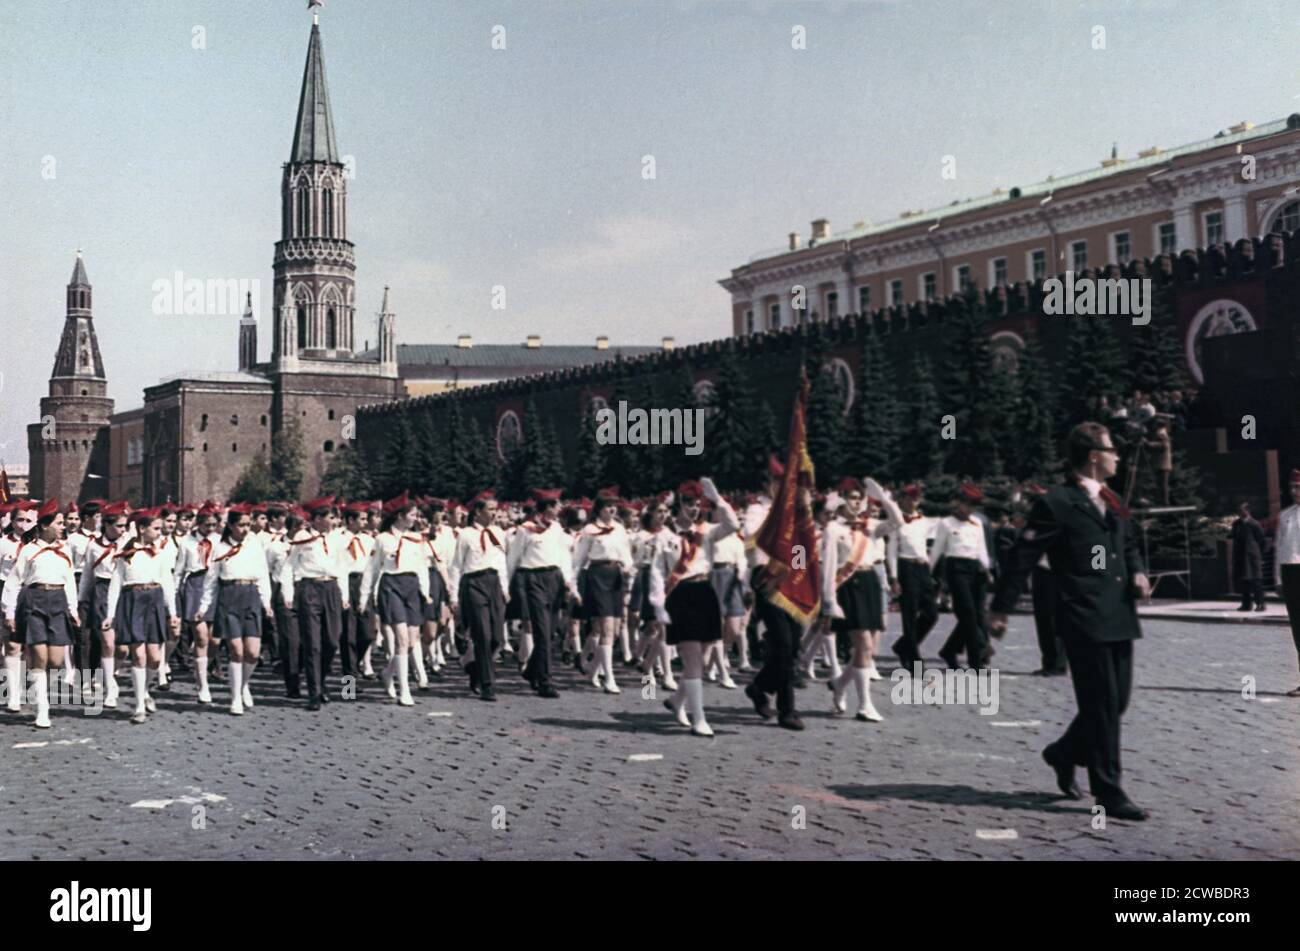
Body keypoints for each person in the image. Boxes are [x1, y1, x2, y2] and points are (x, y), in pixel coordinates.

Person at [989, 422, 1152, 821]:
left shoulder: (1110, 499)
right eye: (1112, 449)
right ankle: (1108, 792)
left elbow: (1126, 542)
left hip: (1118, 612)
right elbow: (1022, 557)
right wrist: (1000, 609)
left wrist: (1138, 571)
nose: (1118, 456)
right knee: (1101, 705)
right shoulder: (1057, 502)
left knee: (1117, 704)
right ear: (1093, 456)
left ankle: (1062, 753)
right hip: (1083, 615)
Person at [648, 477, 738, 737]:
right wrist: (658, 606)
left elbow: (732, 525)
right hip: (680, 595)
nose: (695, 508)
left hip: (705, 592)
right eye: (690, 503)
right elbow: (656, 572)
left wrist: (718, 499)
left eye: (698, 504)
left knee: (706, 652)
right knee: (693, 657)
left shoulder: (707, 531)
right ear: (679, 505)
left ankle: (677, 700)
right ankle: (699, 718)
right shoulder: (664, 536)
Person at [823, 477, 902, 722]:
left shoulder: (870, 525)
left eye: (860, 498)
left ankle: (839, 684)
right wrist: (829, 601)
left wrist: (885, 499)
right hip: (848, 586)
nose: (857, 502)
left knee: (865, 648)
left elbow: (897, 522)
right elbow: (829, 567)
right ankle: (865, 705)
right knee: (865, 645)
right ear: (841, 500)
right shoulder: (833, 529)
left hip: (869, 583)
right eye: (851, 497)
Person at [2, 499, 80, 728]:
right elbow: (14, 582)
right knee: (40, 657)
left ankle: (40, 689)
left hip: (58, 602)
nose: (63, 527)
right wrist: (9, 612)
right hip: (34, 601)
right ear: (45, 526)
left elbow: (70, 582)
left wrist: (73, 609)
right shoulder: (29, 550)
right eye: (59, 523)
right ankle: (42, 709)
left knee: (56, 660)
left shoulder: (64, 550)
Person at [196, 505, 274, 716]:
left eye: (248, 524)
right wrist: (203, 607)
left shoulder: (255, 545)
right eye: (241, 525)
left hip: (251, 596)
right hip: (229, 597)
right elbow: (211, 581)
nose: (245, 529)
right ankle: (235, 698)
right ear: (230, 526)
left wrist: (267, 603)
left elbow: (263, 575)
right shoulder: (219, 548)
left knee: (253, 653)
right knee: (236, 651)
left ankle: (243, 684)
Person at [105, 509, 179, 724]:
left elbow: (168, 583)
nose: (160, 532)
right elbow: (116, 584)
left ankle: (145, 691)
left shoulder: (161, 552)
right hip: (132, 600)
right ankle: (138, 706)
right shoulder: (126, 553)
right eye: (156, 528)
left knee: (155, 658)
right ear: (142, 529)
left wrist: (172, 612)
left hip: (154, 600)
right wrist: (110, 614)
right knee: (138, 656)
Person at [358, 493, 430, 707]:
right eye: (412, 515)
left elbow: (422, 567)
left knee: (410, 641)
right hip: (391, 586)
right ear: (400, 516)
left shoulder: (417, 538)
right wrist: (364, 596)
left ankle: (388, 673)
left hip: (412, 587)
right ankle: (404, 690)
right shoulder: (382, 539)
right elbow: (371, 570)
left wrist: (425, 592)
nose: (415, 519)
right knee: (401, 639)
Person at [505, 488, 574, 698]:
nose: (560, 508)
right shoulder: (526, 529)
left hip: (554, 579)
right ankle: (544, 681)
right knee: (542, 633)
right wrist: (507, 585)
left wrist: (568, 581)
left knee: (550, 632)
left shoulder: (557, 528)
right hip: (532, 578)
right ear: (548, 508)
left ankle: (531, 670)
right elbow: (513, 558)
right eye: (557, 505)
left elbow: (563, 556)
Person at [284, 497, 350, 709]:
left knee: (332, 640)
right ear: (319, 519)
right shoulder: (302, 537)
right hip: (309, 588)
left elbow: (342, 567)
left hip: (331, 587)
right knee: (312, 642)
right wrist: (288, 593)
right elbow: (289, 566)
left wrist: (345, 594)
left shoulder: (338, 538)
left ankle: (320, 680)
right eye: (331, 517)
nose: (334, 521)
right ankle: (314, 693)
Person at [572, 487, 634, 694]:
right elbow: (579, 559)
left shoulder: (619, 528)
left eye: (614, 506)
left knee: (615, 630)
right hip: (597, 576)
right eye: (608, 506)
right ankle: (609, 678)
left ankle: (589, 667)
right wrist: (573, 586)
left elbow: (626, 554)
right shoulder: (589, 530)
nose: (612, 510)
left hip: (616, 576)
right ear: (599, 509)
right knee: (605, 628)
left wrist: (627, 568)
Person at [448, 491, 508, 701]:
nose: (494, 514)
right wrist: (453, 596)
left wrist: (505, 587)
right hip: (473, 583)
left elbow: (502, 562)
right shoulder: (465, 535)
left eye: (495, 509)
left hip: (494, 582)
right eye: (490, 509)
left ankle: (474, 667)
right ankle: (487, 685)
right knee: (482, 634)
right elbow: (456, 565)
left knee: (497, 638)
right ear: (478, 512)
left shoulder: (499, 533)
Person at [930, 482, 994, 670]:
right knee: (967, 614)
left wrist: (987, 569)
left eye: (973, 505)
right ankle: (976, 661)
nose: (970, 509)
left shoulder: (977, 523)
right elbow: (936, 551)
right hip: (956, 568)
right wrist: (927, 573)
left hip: (976, 569)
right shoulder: (946, 524)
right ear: (957, 503)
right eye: (967, 504)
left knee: (977, 615)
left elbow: (981, 548)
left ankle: (950, 650)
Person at [78, 502, 129, 709]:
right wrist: (81, 601)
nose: (123, 530)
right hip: (101, 591)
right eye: (119, 526)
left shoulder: (130, 543)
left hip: (125, 592)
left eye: (125, 526)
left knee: (123, 648)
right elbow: (88, 575)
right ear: (107, 525)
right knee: (107, 642)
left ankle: (112, 675)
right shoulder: (94, 545)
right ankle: (109, 688)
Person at [887, 484, 937, 670]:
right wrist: (894, 578)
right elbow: (891, 551)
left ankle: (902, 647)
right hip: (905, 568)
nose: (912, 501)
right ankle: (915, 661)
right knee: (909, 616)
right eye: (908, 497)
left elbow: (930, 546)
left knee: (931, 614)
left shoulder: (924, 521)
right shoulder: (895, 522)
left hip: (922, 568)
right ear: (901, 500)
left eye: (916, 498)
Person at [1271, 470, 1300, 697]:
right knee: (1298, 631)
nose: (1294, 491)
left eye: (1298, 487)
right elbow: (1279, 548)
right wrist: (1278, 579)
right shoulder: (1285, 515)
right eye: (1292, 487)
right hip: (1290, 574)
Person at [1230, 501, 1266, 612]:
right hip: (1240, 557)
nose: (1240, 513)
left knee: (1256, 581)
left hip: (1252, 557)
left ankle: (1260, 604)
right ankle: (1246, 604)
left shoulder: (1254, 524)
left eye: (1242, 510)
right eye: (1238, 511)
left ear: (1247, 511)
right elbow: (1233, 538)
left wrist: (1260, 555)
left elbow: (1261, 540)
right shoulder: (1236, 524)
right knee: (1243, 582)